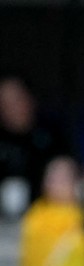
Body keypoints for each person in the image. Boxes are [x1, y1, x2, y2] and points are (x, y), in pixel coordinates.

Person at [0, 76, 69, 219]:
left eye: (16, 100)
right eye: (3, 103)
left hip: (48, 219)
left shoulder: (52, 136)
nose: (9, 108)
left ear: (31, 99)